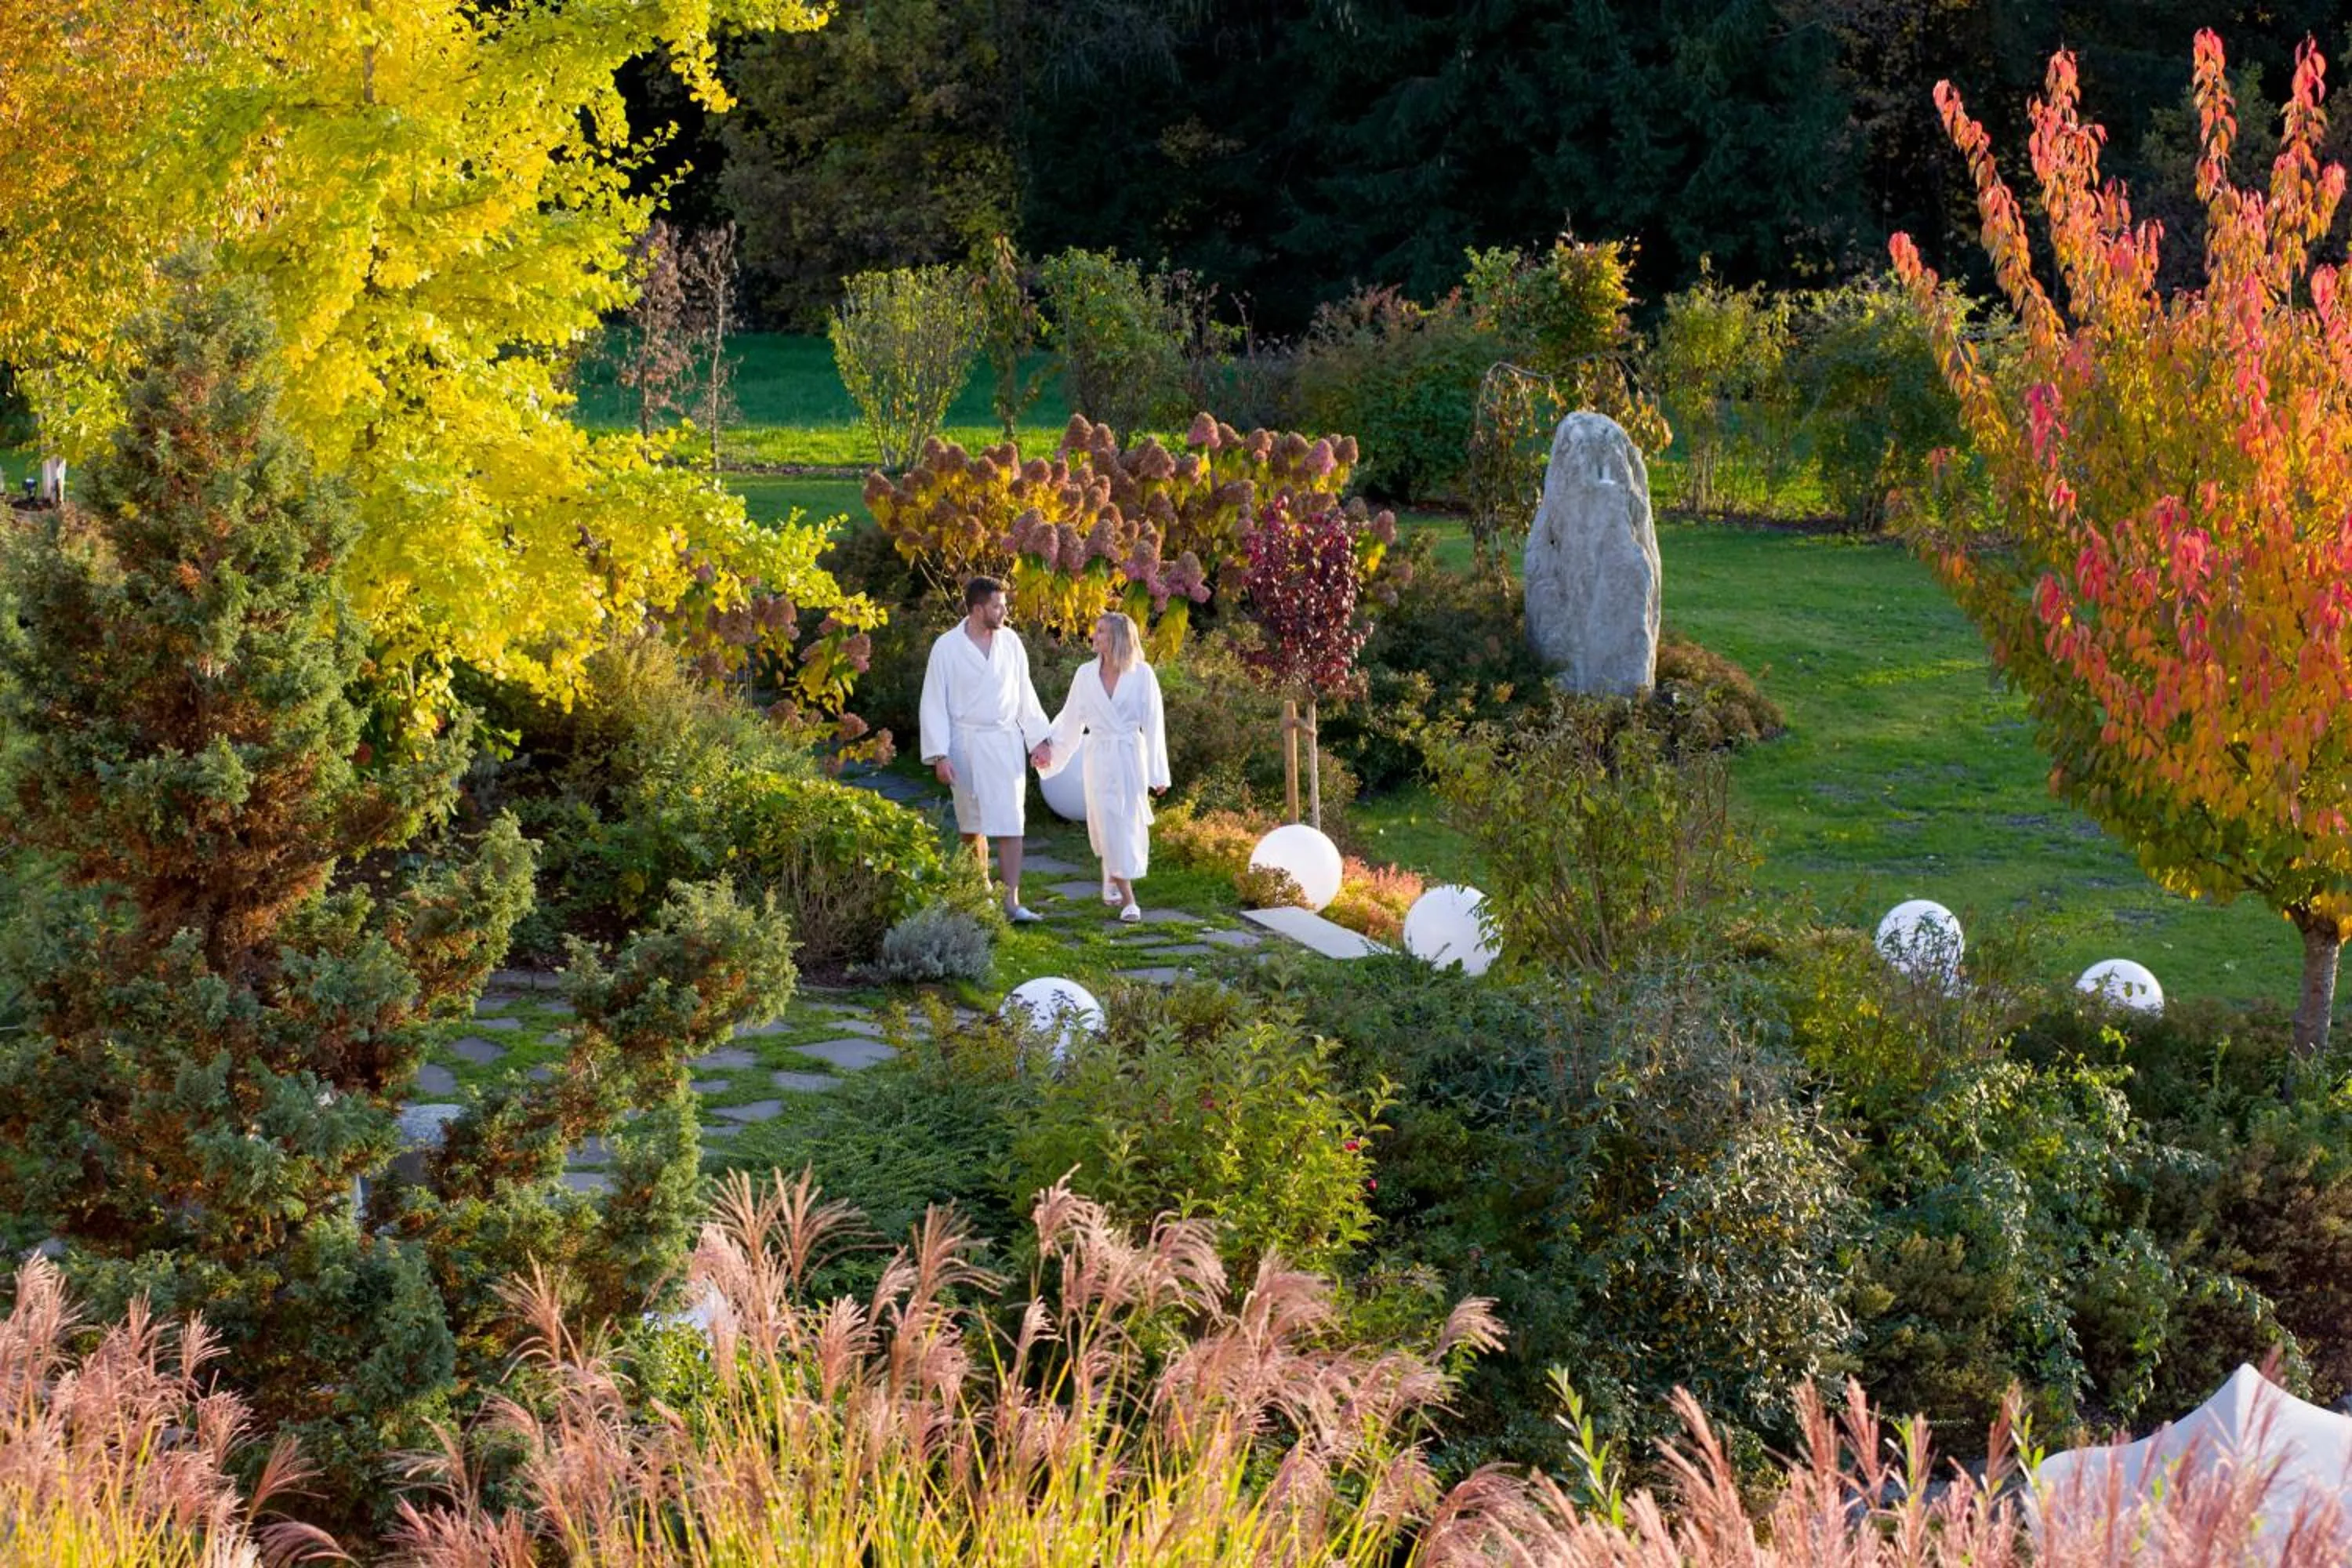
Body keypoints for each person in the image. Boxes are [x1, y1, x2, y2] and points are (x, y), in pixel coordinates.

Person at [918, 575, 1053, 922]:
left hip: (1005, 741)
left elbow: (1025, 692)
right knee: (971, 825)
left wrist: (1038, 739)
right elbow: (933, 702)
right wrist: (940, 755)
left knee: (1012, 822)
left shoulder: (1011, 643)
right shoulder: (947, 647)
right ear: (978, 609)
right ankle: (982, 893)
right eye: (997, 605)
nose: (1004, 611)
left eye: (1004, 604)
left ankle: (1012, 902)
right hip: (965, 743)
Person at [1033, 611, 1170, 923]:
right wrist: (1048, 751)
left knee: (1126, 822)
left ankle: (1114, 875)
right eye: (1096, 630)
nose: (1094, 635)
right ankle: (1129, 898)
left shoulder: (1143, 674)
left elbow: (1154, 724)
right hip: (1099, 756)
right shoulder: (1084, 675)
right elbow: (1070, 720)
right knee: (1107, 820)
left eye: (1103, 632)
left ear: (1119, 638)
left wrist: (1158, 772)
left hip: (1129, 757)